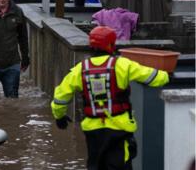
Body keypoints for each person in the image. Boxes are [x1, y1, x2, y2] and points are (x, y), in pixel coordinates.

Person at [51, 26, 169, 170]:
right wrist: (167, 75)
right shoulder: (122, 65)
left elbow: (60, 97)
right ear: (111, 45)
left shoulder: (79, 70)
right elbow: (153, 77)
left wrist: (60, 117)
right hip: (119, 130)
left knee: (96, 166)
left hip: (93, 132)